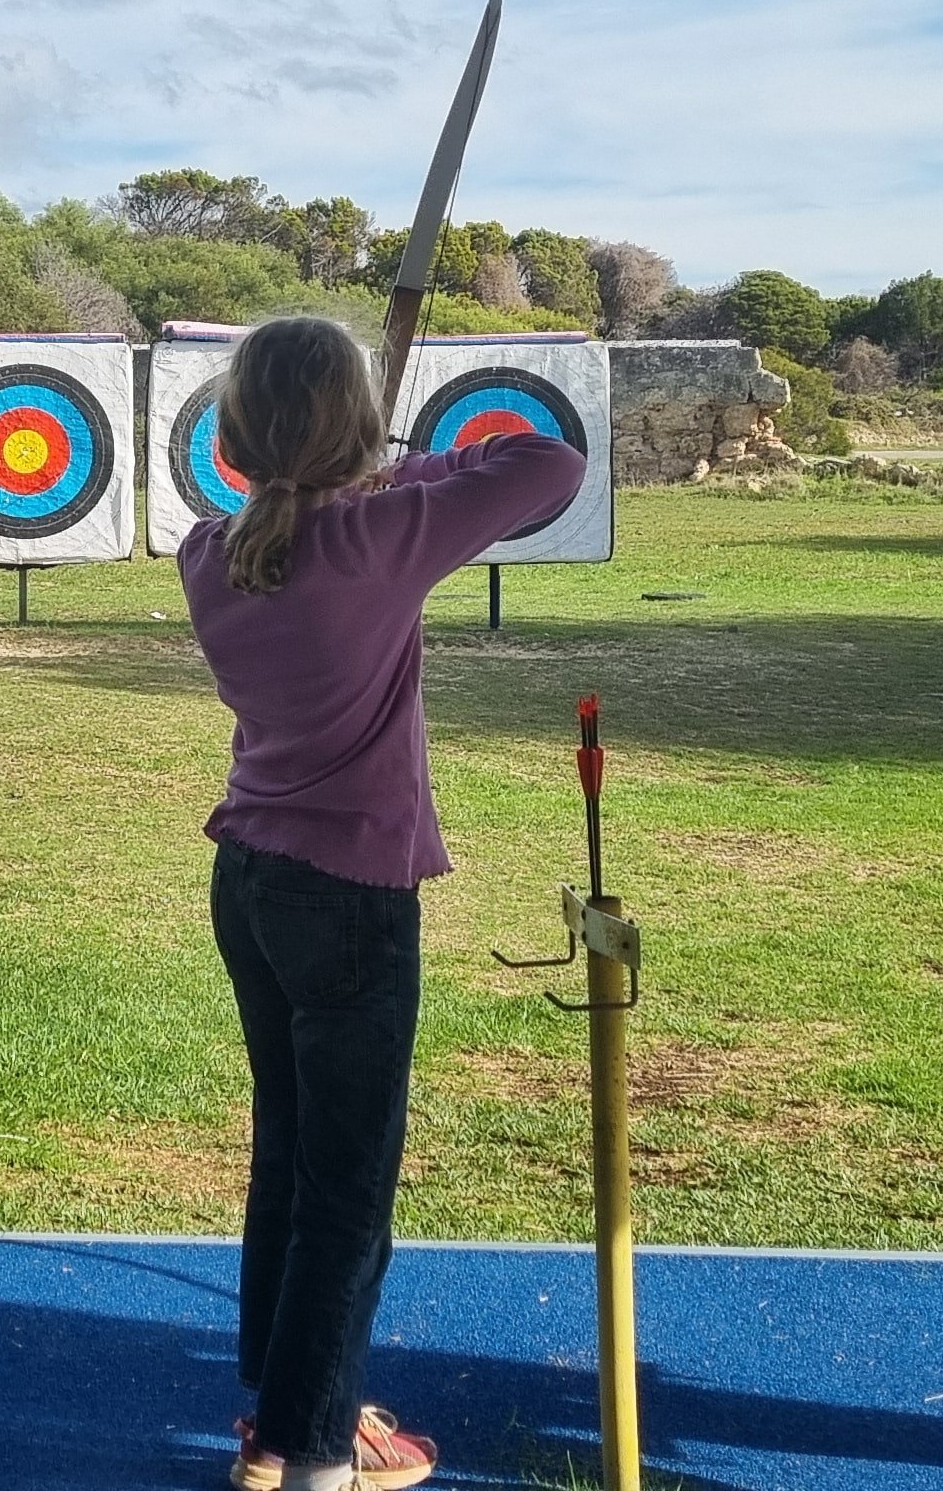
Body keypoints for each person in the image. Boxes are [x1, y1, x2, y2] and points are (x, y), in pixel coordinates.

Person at [178, 315, 584, 1491]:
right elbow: (546, 462)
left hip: (249, 882)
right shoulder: (382, 531)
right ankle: (310, 1457)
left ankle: (289, 1415)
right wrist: (395, 460)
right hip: (349, 898)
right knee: (347, 1190)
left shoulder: (210, 549)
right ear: (354, 430)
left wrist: (360, 465)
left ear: (239, 438)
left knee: (291, 1156)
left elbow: (319, 513)